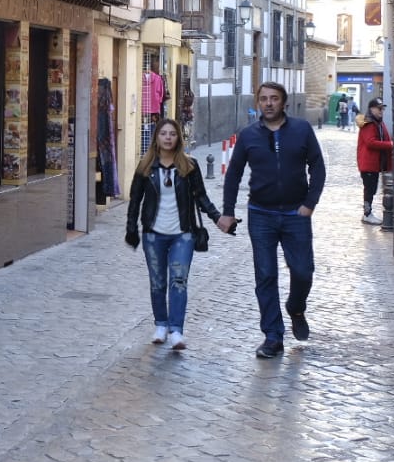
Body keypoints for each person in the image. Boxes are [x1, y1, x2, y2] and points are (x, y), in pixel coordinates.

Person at [218, 81, 327, 359]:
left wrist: (309, 204)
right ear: (258, 103)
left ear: (284, 102)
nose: (268, 103)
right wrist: (228, 211)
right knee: (265, 275)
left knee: (303, 271)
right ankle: (272, 336)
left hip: (296, 214)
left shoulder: (301, 129)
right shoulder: (248, 135)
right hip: (262, 214)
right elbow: (234, 174)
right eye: (264, 99)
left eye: (274, 99)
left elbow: (317, 166)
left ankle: (296, 306)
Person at [124, 119, 221, 352]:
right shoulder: (145, 167)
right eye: (163, 134)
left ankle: (176, 330)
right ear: (156, 137)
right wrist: (131, 229)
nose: (168, 138)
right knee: (157, 283)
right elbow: (135, 201)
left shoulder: (189, 166)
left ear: (178, 138)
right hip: (153, 234)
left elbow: (201, 197)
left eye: (172, 134)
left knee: (178, 281)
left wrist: (217, 217)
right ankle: (160, 325)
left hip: (182, 234)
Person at [357, 97, 394, 225]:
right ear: (371, 109)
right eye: (379, 108)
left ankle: (367, 213)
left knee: (371, 188)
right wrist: (390, 144)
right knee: (370, 189)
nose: (381, 111)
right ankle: (367, 214)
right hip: (368, 163)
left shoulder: (378, 122)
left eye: (382, 109)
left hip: (374, 163)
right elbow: (370, 142)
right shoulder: (369, 123)